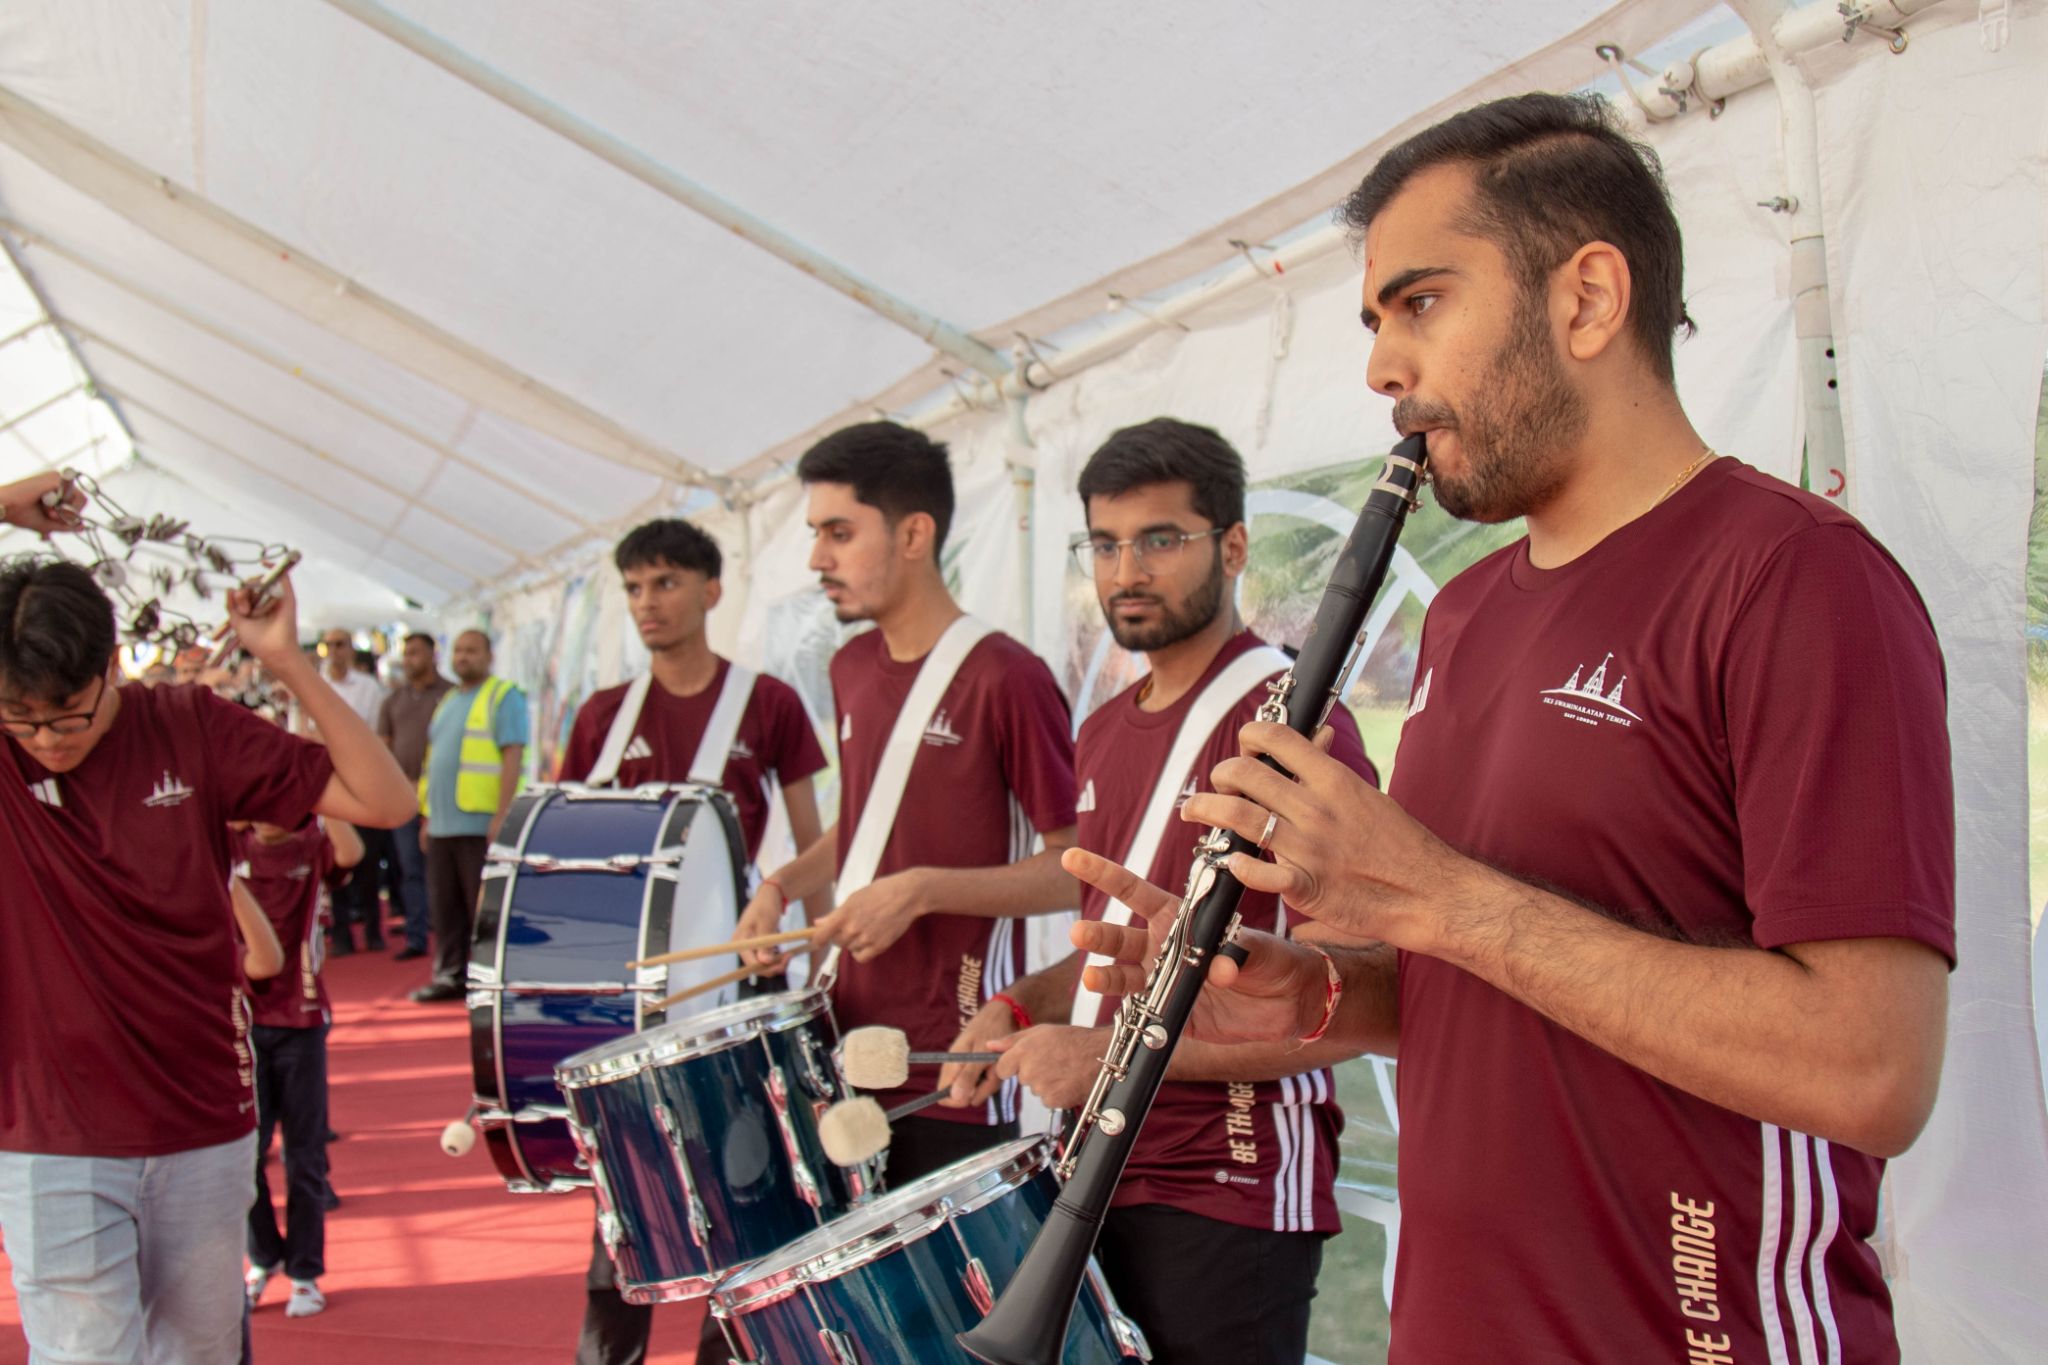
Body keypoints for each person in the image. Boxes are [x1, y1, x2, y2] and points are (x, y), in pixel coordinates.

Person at [1066, 93, 1954, 1364]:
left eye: (1418, 304)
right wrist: (1318, 1000)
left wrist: (1430, 895)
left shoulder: (1793, 579)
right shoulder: (1465, 613)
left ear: (1586, 299)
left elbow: (1871, 1069)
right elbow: (1489, 981)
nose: (1380, 367)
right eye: (1373, 322)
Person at [939, 419, 1379, 1362]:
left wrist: (1104, 1058)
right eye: (1104, 543)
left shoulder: (1293, 722)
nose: (1126, 569)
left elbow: (1351, 1004)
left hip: (1234, 1177)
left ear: (1232, 546)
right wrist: (1019, 1004)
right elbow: (1111, 949)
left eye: (1160, 539)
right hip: (1097, 1169)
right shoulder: (1098, 729)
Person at [0, 474, 415, 1364]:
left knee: (200, 1350)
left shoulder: (190, 725)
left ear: (112, 664)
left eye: (67, 714)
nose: (46, 740)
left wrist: (287, 660)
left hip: (203, 1117)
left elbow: (383, 799)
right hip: (47, 1134)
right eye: (21, 721)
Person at [739, 420, 1079, 1184]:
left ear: (914, 533)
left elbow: (1076, 866)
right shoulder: (851, 664)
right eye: (815, 533)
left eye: (838, 532)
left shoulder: (1006, 677)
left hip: (951, 1060)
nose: (816, 558)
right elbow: (865, 824)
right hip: (840, 1034)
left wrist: (926, 890)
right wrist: (780, 886)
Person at [557, 517, 830, 1365]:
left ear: (713, 590)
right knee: (623, 1207)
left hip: (736, 999)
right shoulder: (603, 716)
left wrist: (816, 963)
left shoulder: (769, 703)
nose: (648, 602)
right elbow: (565, 865)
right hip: (633, 1002)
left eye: (667, 582)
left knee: (742, 1193)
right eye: (635, 587)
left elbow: (818, 839)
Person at [236, 812, 364, 1320]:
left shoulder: (314, 846)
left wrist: (314, 786)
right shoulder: (228, 847)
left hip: (303, 1021)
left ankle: (306, 1272)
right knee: (245, 1153)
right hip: (241, 1019)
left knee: (304, 1156)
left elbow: (353, 852)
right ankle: (263, 1258)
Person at [411, 629, 529, 1003]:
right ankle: (450, 976)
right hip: (443, 823)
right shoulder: (448, 700)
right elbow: (433, 762)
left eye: (471, 650)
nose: (463, 657)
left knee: (482, 907)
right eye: (459, 651)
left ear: (489, 655)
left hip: (480, 824)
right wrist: (427, 816)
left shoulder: (503, 695)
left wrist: (502, 815)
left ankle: (487, 980)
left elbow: (512, 755)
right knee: (444, 907)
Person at [377, 632, 451, 962]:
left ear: (433, 655)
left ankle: (448, 936)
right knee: (409, 867)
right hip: (405, 796)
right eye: (405, 654)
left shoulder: (450, 695)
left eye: (416, 653)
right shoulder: (393, 701)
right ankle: (416, 934)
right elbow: (382, 746)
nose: (409, 660)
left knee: (442, 869)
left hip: (446, 795)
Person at [318, 628, 390, 955]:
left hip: (363, 782)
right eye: (330, 644)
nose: (335, 650)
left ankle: (374, 931)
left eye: (340, 644)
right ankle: (343, 934)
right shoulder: (314, 686)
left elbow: (376, 735)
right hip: (330, 785)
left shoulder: (369, 688)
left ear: (350, 649)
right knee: (336, 863)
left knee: (370, 861)